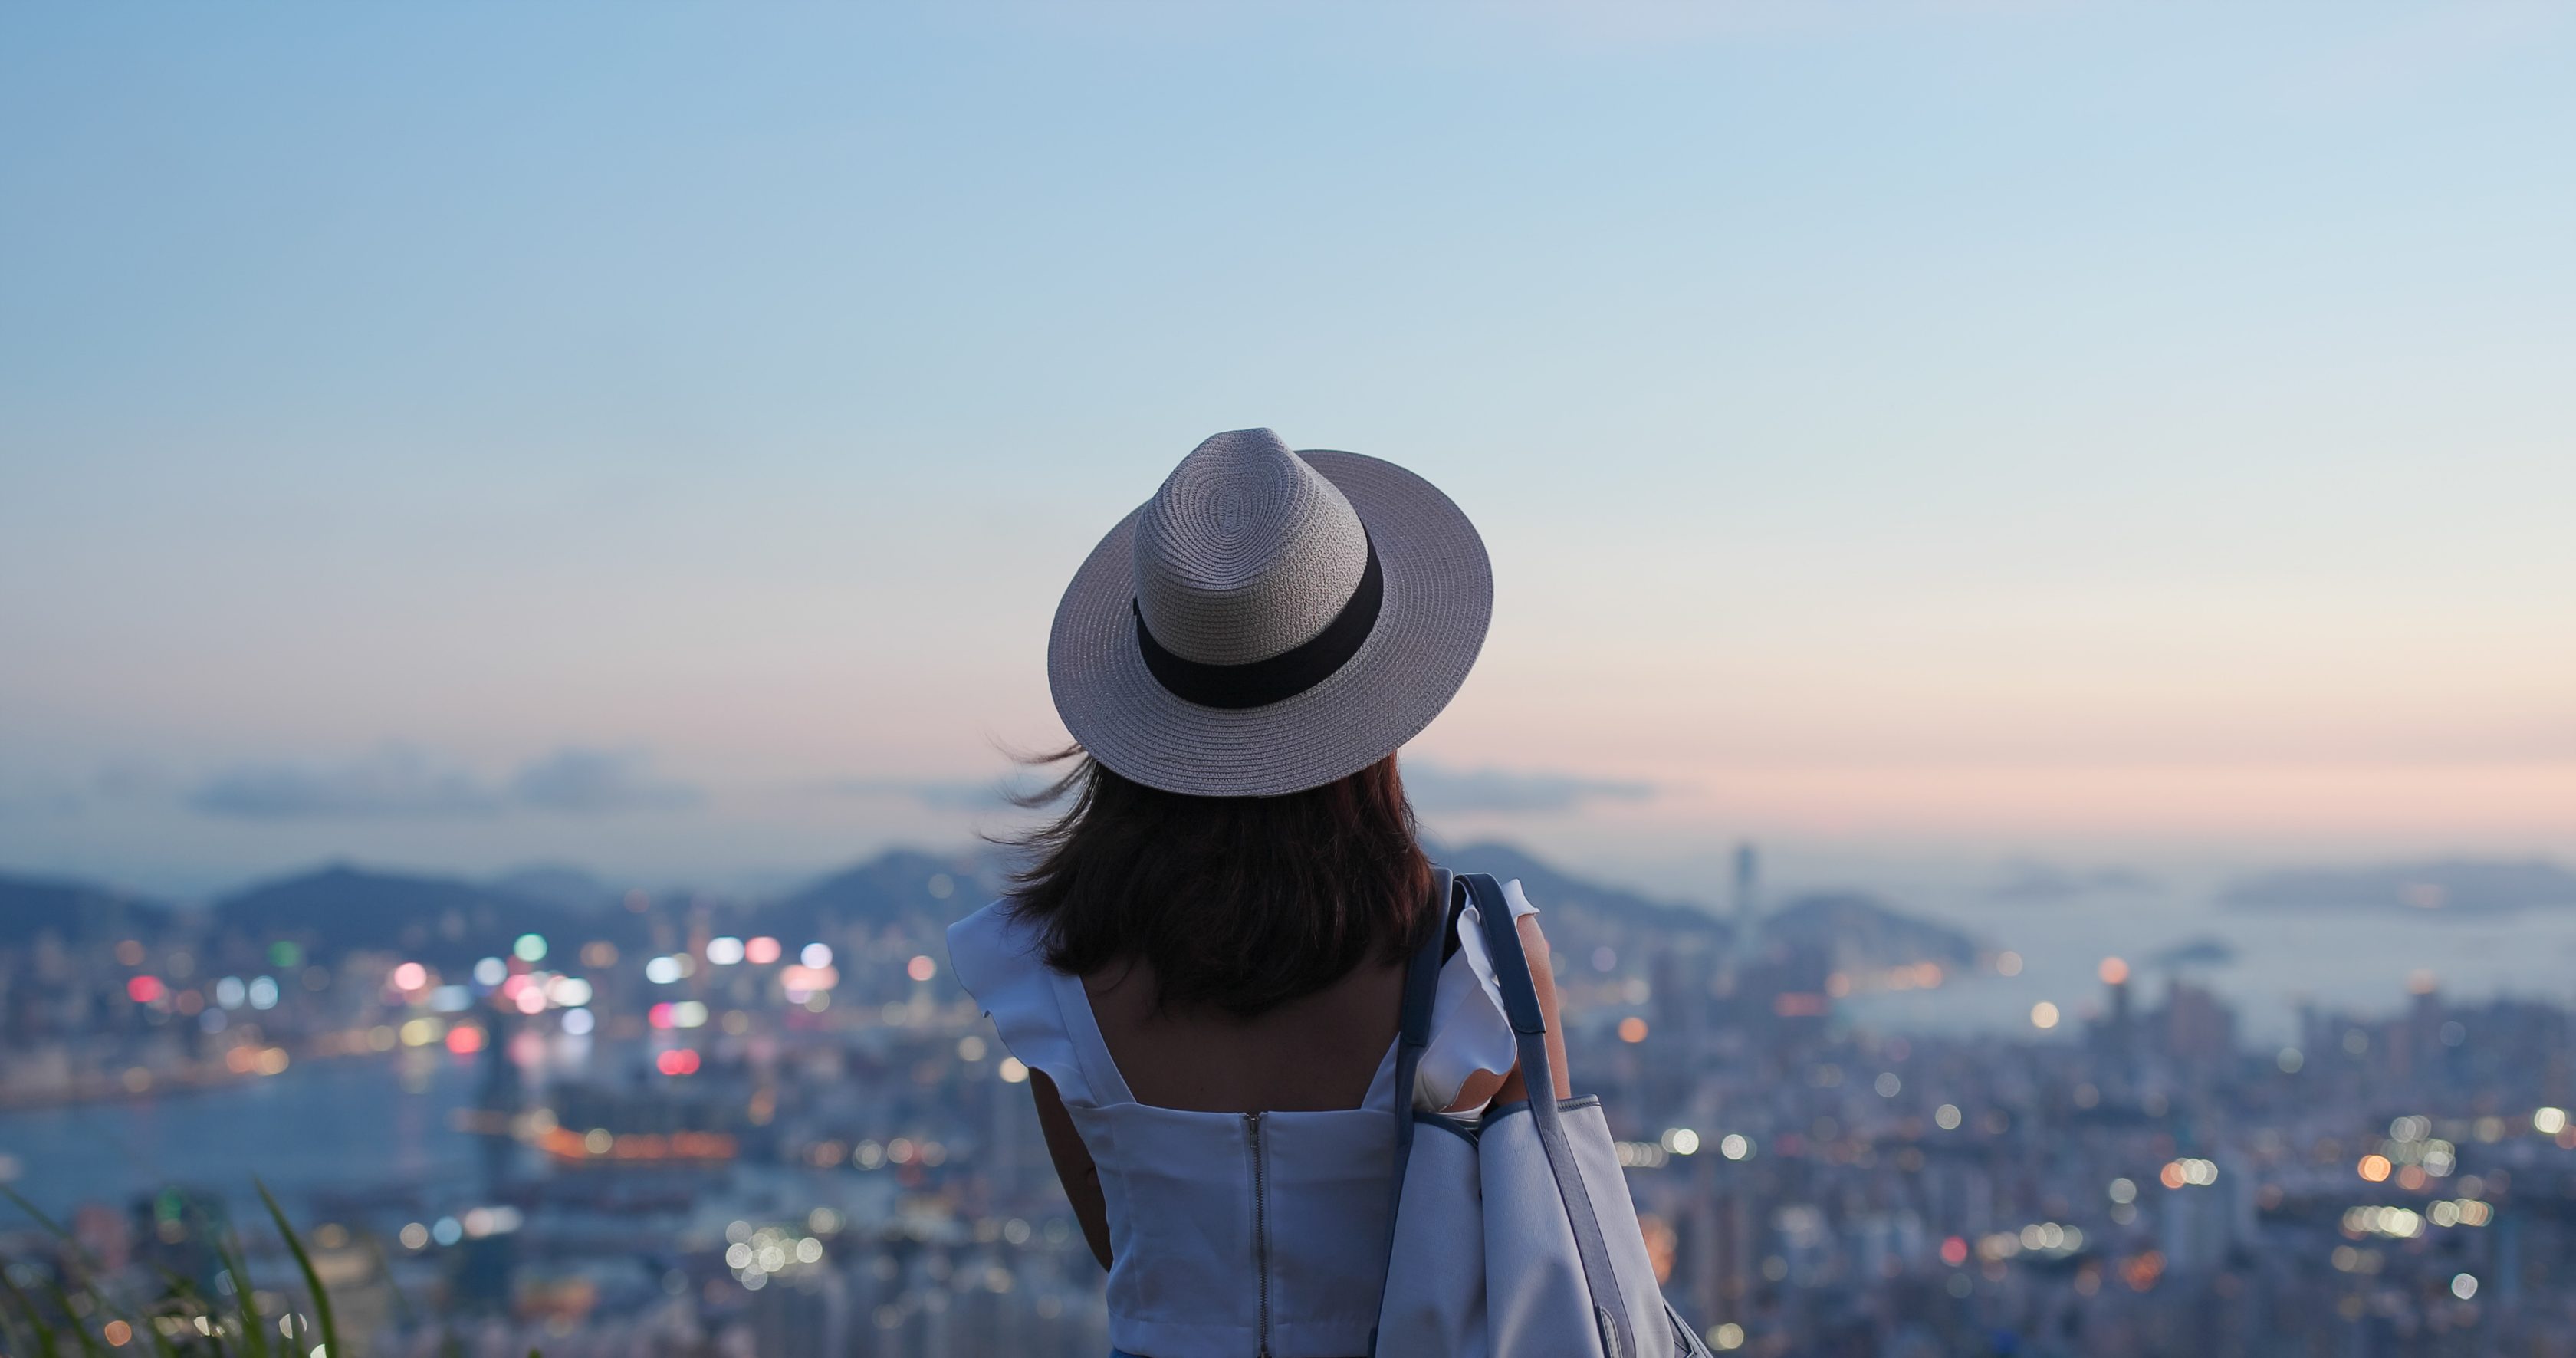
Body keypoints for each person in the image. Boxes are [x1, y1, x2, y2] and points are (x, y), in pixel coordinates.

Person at [948, 429, 1570, 1358]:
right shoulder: (1481, 963)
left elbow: (1123, 1248)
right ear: (1381, 709)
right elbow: (1537, 1249)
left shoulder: (1044, 970)